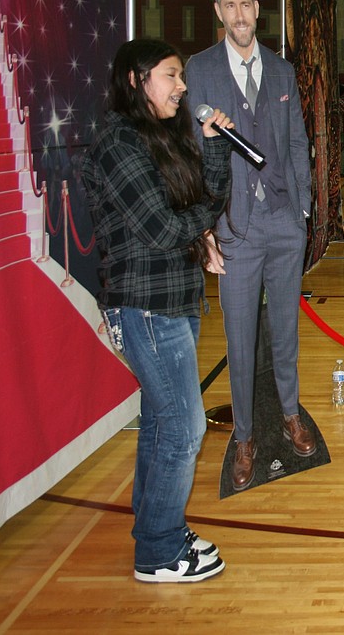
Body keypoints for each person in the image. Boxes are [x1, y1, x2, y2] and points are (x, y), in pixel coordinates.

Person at [79, 38, 232, 582]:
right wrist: (201, 229)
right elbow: (164, 228)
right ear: (135, 80)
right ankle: (159, 553)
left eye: (181, 76)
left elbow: (204, 200)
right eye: (171, 75)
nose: (183, 87)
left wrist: (214, 144)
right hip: (144, 308)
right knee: (185, 430)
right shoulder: (118, 143)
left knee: (162, 426)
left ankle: (156, 529)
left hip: (175, 301)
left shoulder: (161, 139)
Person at [184, 0, 317, 493]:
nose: (240, 15)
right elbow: (190, 156)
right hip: (233, 226)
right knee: (238, 338)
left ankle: (289, 413)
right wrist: (206, 228)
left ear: (258, 9)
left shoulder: (283, 72)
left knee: (285, 329)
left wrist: (303, 210)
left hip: (284, 222)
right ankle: (243, 435)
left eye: (247, 4)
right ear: (218, 11)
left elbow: (298, 143)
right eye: (229, 5)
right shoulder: (198, 69)